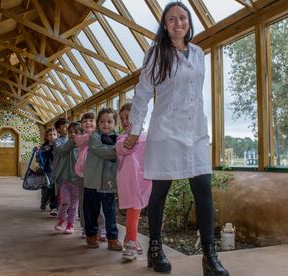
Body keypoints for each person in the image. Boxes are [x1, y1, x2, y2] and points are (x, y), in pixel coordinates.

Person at [123, 2, 229, 275]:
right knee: (160, 191)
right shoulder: (157, 54)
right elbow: (143, 92)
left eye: (182, 17)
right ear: (165, 25)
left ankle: (209, 256)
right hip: (166, 132)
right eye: (172, 19)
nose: (178, 23)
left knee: (203, 189)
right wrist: (135, 131)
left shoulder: (197, 52)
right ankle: (155, 248)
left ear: (189, 22)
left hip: (195, 132)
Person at [116, 102, 152, 261]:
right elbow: (124, 148)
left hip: (145, 180)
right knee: (133, 210)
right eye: (122, 118)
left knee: (136, 211)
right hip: (129, 181)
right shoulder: (122, 138)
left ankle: (131, 240)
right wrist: (134, 137)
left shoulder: (149, 137)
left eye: (129, 117)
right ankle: (130, 244)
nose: (125, 121)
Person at [83, 107, 122, 251]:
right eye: (102, 121)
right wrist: (117, 150)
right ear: (98, 123)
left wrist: (118, 148)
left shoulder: (118, 138)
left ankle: (113, 238)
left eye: (109, 121)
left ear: (115, 124)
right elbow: (99, 150)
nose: (106, 124)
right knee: (91, 211)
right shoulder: (94, 137)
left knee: (110, 211)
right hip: (93, 181)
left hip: (109, 182)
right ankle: (91, 236)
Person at [74, 112, 107, 240]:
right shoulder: (80, 138)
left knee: (100, 203)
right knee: (84, 204)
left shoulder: (100, 137)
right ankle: (85, 228)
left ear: (96, 123)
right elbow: (83, 140)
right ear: (82, 125)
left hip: (98, 175)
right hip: (82, 175)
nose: (88, 123)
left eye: (91, 120)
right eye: (85, 121)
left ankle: (101, 229)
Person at [53, 122, 81, 234]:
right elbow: (62, 151)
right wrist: (72, 141)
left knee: (74, 204)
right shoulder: (64, 144)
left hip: (77, 180)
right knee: (65, 201)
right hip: (64, 179)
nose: (72, 134)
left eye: (76, 132)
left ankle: (70, 224)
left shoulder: (82, 147)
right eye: (70, 132)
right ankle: (61, 220)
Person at [49, 118, 70, 217]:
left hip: (70, 171)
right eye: (64, 126)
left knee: (70, 190)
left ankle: (69, 210)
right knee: (58, 189)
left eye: (68, 125)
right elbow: (62, 151)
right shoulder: (57, 141)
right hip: (59, 170)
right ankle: (55, 207)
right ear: (58, 129)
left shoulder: (72, 139)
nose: (67, 128)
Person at [37, 128, 58, 212]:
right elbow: (38, 159)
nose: (52, 136)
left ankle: (54, 206)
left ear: (57, 135)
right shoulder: (44, 147)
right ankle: (44, 202)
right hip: (47, 171)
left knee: (55, 189)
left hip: (57, 171)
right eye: (50, 135)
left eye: (54, 134)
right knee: (46, 189)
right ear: (46, 136)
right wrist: (37, 153)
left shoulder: (59, 146)